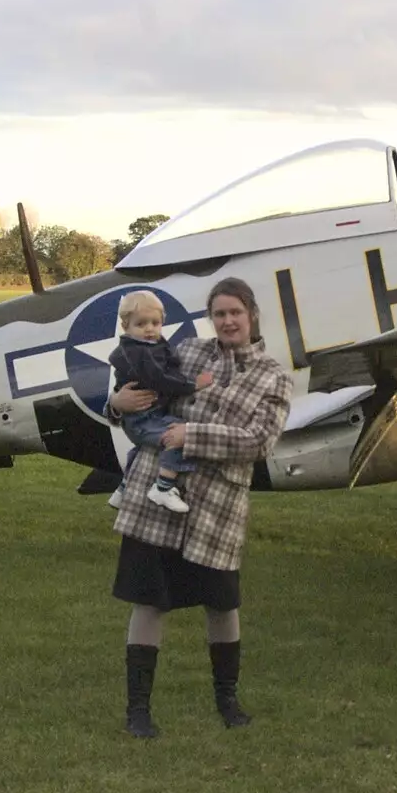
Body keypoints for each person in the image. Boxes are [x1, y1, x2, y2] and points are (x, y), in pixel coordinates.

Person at [106, 277, 292, 739]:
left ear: (251, 316)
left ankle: (227, 702)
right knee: (148, 602)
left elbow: (258, 441)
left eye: (236, 312)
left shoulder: (273, 376)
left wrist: (193, 435)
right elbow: (140, 395)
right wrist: (113, 403)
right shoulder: (185, 353)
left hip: (217, 509)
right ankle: (138, 711)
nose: (228, 321)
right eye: (220, 313)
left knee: (222, 605)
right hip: (158, 501)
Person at [107, 290, 214, 514]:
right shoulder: (138, 353)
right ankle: (163, 488)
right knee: (178, 437)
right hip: (142, 418)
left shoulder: (150, 347)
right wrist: (193, 384)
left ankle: (123, 489)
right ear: (126, 326)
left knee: (141, 447)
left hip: (145, 416)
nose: (149, 329)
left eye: (155, 323)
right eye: (141, 324)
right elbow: (160, 379)